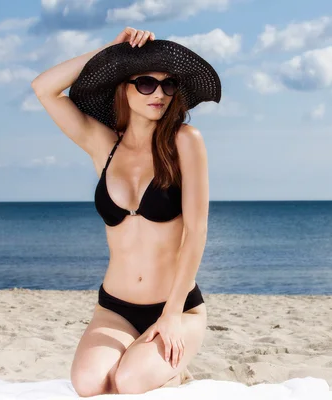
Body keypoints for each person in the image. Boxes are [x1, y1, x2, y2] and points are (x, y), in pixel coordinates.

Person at [31, 26, 222, 396]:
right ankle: (150, 360)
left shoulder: (185, 142)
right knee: (89, 385)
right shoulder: (103, 146)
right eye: (146, 83)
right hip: (114, 308)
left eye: (168, 85)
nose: (160, 93)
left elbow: (196, 233)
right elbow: (44, 88)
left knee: (128, 382)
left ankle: (176, 373)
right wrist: (112, 52)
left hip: (176, 309)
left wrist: (170, 316)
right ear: (124, 86)